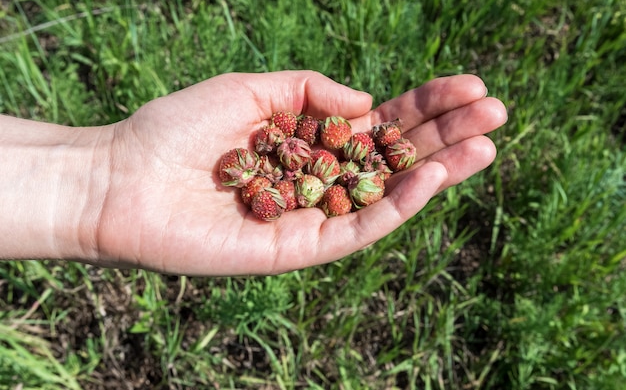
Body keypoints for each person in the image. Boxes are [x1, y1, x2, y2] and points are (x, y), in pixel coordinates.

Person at [0, 70, 507, 276]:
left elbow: (318, 170)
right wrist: (104, 172)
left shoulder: (313, 163)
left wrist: (98, 177)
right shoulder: (296, 164)